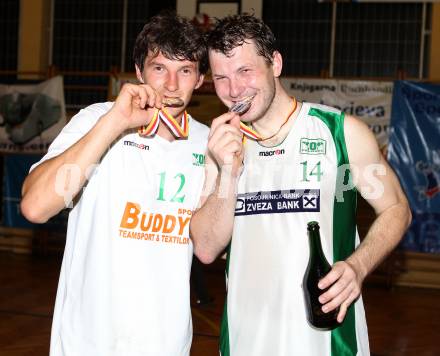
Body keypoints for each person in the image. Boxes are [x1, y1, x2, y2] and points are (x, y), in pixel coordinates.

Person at [190, 14, 412, 356]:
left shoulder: (340, 133)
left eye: (245, 72)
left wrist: (358, 265)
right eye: (221, 77)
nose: (234, 90)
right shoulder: (221, 147)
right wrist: (228, 173)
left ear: (275, 63)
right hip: (246, 341)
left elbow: (397, 209)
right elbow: (205, 247)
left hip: (326, 341)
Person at [21, 12, 209, 356]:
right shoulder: (98, 120)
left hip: (165, 345)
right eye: (159, 68)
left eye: (184, 70)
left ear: (199, 79)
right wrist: (115, 123)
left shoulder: (209, 144)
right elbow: (35, 206)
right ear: (138, 72)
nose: (170, 84)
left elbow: (211, 246)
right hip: (88, 343)